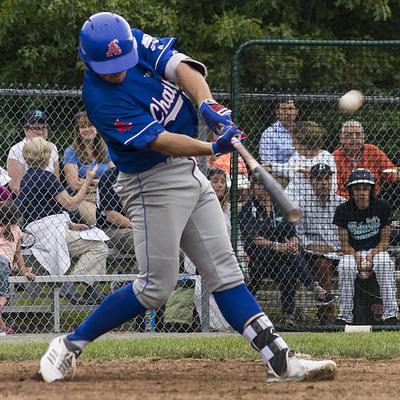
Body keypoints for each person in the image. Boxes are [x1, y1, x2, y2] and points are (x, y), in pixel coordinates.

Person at [39, 12, 336, 383]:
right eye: (109, 67)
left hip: (188, 173)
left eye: (122, 63)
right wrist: (211, 144)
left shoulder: (129, 40)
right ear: (90, 61)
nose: (118, 71)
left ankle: (279, 359)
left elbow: (182, 68)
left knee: (226, 271)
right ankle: (68, 346)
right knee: (154, 288)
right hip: (151, 183)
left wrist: (207, 105)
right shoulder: (100, 100)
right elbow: (160, 141)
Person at [18, 137, 109, 305]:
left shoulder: (26, 178)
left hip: (40, 231)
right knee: (100, 246)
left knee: (93, 236)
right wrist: (88, 180)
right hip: (49, 235)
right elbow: (72, 204)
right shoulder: (47, 177)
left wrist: (71, 225)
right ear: (46, 156)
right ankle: (73, 282)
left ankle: (90, 289)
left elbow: (45, 210)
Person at [238, 174, 337, 326]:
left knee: (288, 273)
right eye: (257, 185)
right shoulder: (248, 209)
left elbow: (292, 232)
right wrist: (279, 246)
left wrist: (294, 242)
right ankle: (316, 289)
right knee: (291, 256)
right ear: (253, 188)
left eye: (263, 185)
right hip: (259, 257)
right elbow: (253, 237)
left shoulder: (279, 207)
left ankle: (289, 318)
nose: (261, 189)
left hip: (281, 257)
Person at [333, 168, 398, 325]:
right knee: (345, 267)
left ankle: (391, 315)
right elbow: (344, 243)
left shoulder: (382, 206)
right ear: (351, 191)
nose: (361, 192)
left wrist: (372, 254)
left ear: (371, 189)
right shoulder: (343, 209)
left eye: (365, 188)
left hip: (376, 250)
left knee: (384, 263)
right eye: (357, 189)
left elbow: (384, 241)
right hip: (352, 251)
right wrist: (356, 256)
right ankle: (345, 316)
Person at [295, 163, 345, 323]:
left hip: (340, 252)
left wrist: (344, 248)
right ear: (311, 181)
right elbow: (299, 234)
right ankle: (328, 317)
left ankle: (354, 314)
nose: (323, 183)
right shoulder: (302, 204)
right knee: (322, 264)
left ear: (331, 180)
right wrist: (311, 245)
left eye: (327, 178)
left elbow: (349, 230)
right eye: (319, 179)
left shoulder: (341, 203)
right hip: (314, 255)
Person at [185, 168, 231, 332]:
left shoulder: (229, 209)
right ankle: (214, 328)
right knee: (200, 291)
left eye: (222, 182)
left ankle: (227, 326)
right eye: (215, 181)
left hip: (224, 260)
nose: (219, 185)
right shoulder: (195, 206)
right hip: (199, 264)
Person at [64, 111, 114, 224]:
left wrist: (89, 181)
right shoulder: (71, 152)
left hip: (106, 196)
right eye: (82, 127)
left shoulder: (105, 149)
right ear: (78, 131)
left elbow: (115, 175)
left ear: (96, 128)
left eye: (90, 125)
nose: (87, 129)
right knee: (100, 223)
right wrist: (102, 183)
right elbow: (74, 185)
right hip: (83, 197)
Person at [266, 121, 337, 202]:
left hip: (313, 205)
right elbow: (287, 168)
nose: (293, 145)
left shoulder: (326, 157)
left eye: (295, 142)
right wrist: (270, 166)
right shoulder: (297, 156)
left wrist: (313, 175)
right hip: (290, 203)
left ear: (305, 142)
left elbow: (333, 188)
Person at [333, 120, 398, 199]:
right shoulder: (335, 157)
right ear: (341, 138)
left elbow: (390, 171)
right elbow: (336, 189)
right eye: (349, 135)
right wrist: (356, 201)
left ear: (363, 137)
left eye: (358, 135)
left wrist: (396, 174)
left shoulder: (372, 150)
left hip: (375, 198)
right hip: (348, 202)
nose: (354, 138)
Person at [0, 201, 35, 334]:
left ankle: (3, 327)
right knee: (2, 294)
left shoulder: (14, 230)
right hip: (4, 265)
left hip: (2, 264)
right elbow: (18, 253)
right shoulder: (17, 230)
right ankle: (3, 323)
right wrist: (24, 271)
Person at [7, 110, 59, 194]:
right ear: (26, 130)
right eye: (36, 128)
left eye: (44, 128)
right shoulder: (17, 149)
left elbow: (57, 180)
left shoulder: (52, 147)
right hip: (26, 198)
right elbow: (15, 186)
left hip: (51, 196)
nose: (40, 132)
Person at [96, 167, 135, 256]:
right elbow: (111, 216)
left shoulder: (142, 175)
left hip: (138, 226)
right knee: (143, 240)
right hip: (110, 228)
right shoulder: (109, 177)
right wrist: (140, 226)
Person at [259, 99, 298, 164]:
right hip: (277, 173)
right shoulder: (269, 134)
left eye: (291, 108)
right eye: (283, 109)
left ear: (296, 112)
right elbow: (267, 163)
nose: (288, 113)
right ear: (277, 112)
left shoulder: (302, 131)